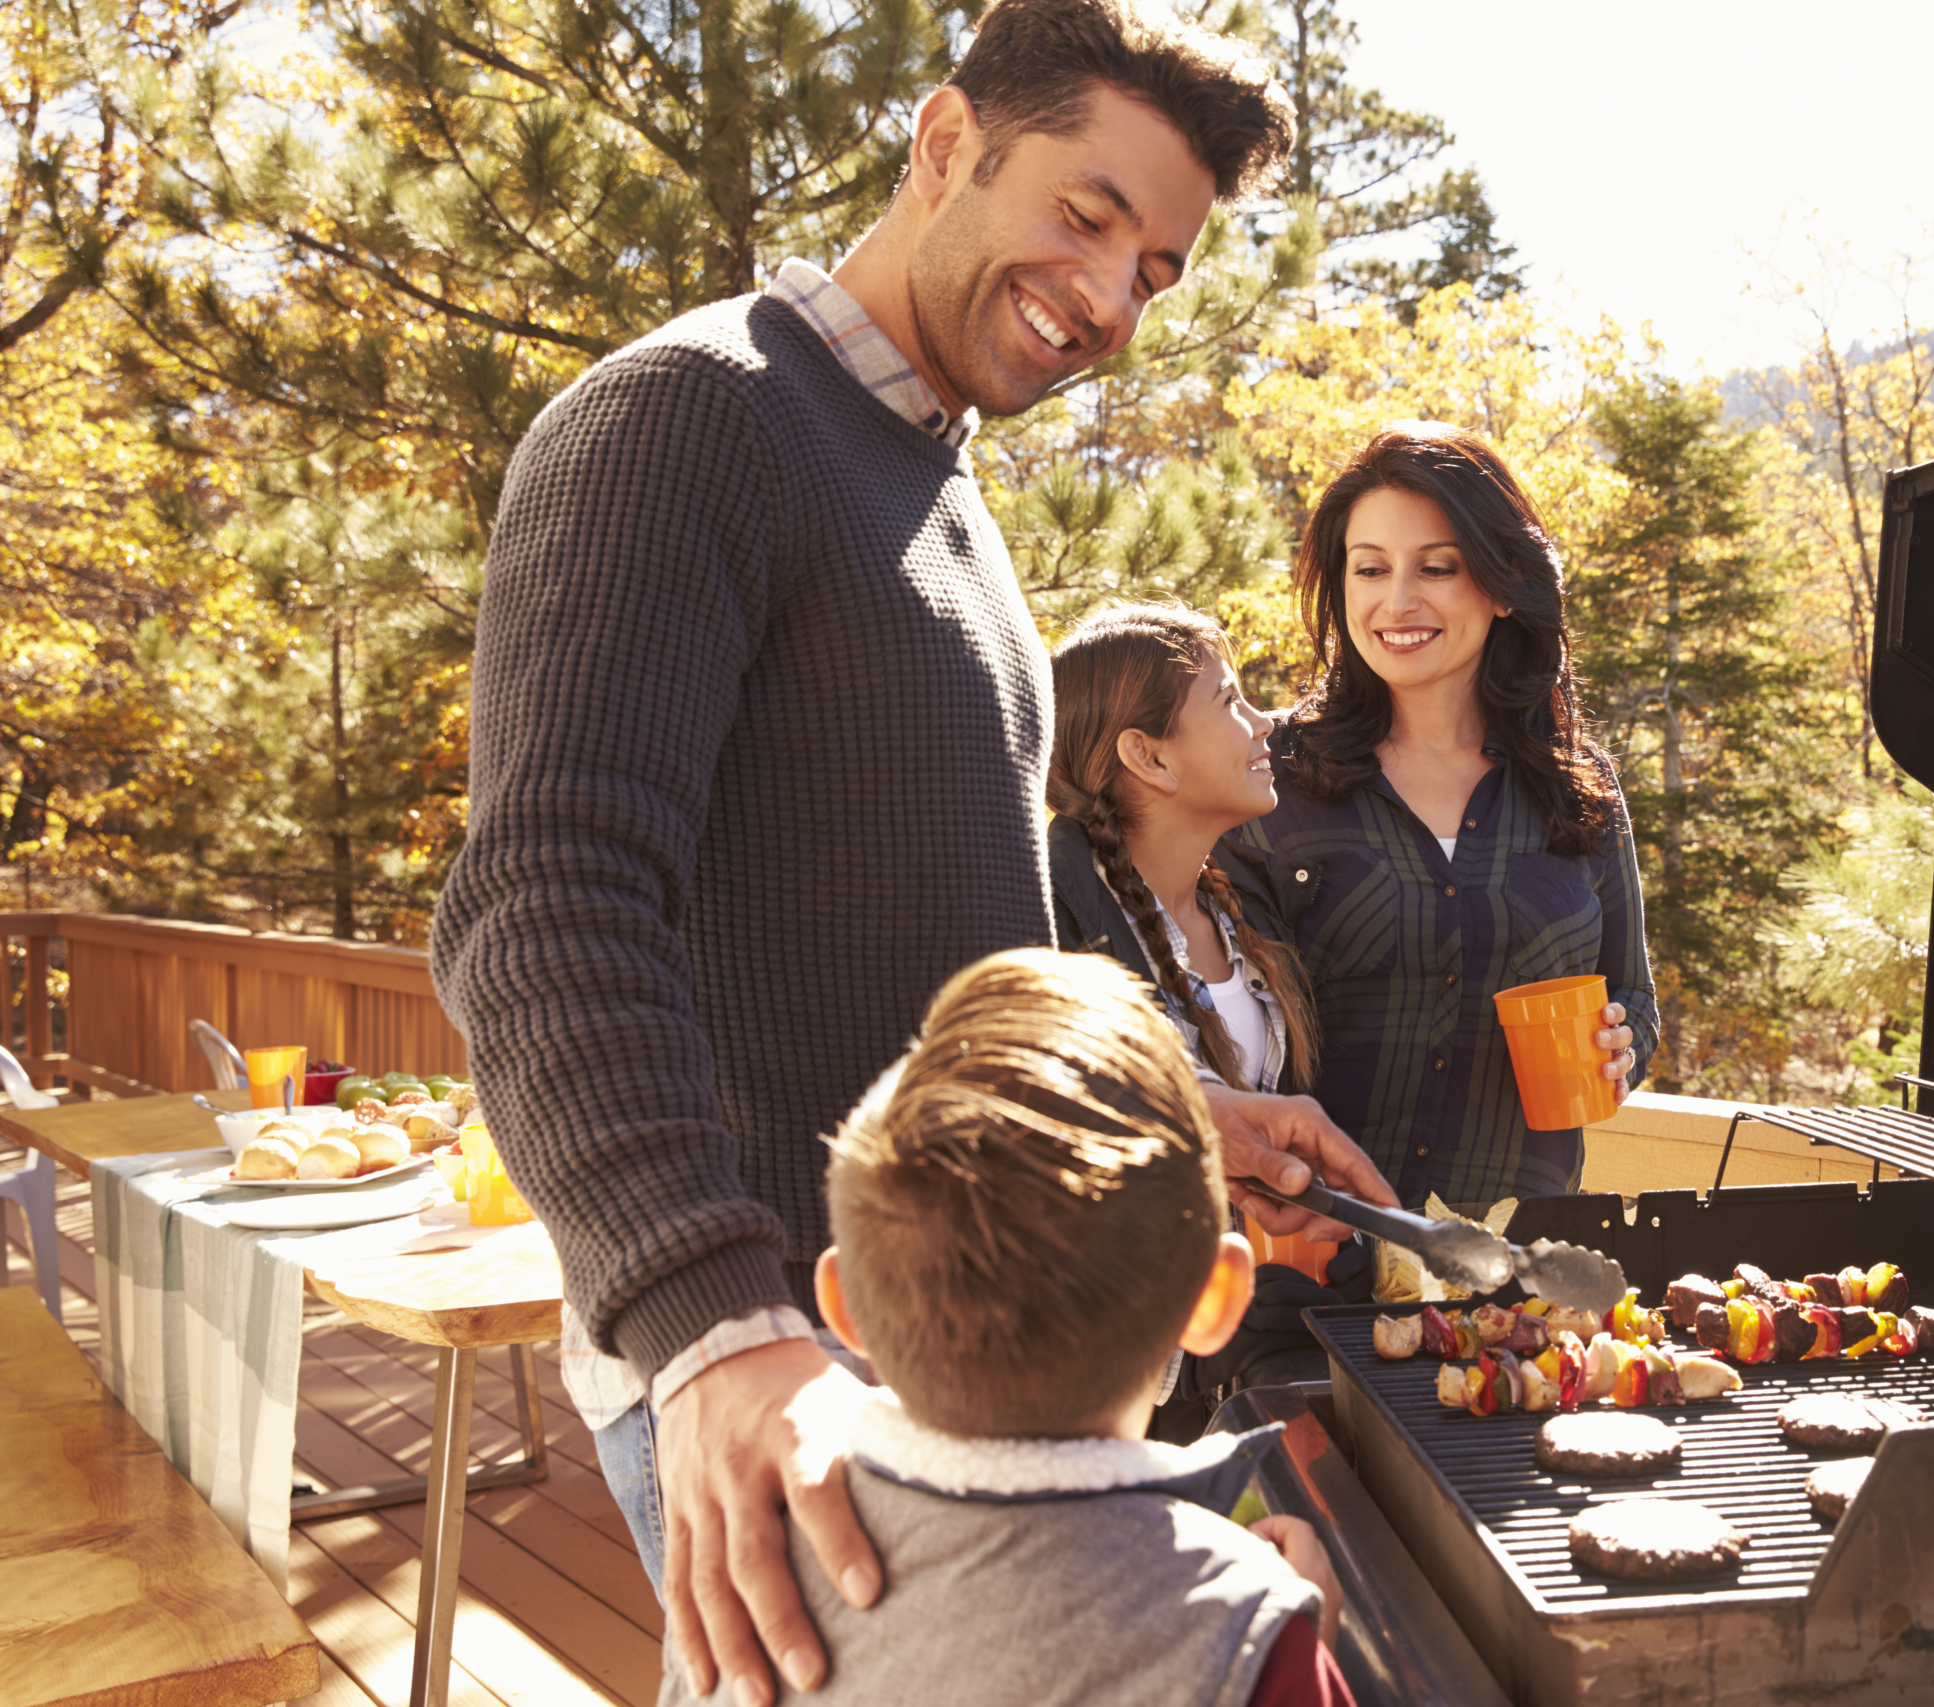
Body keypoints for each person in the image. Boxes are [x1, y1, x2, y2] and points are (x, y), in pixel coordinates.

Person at [429, 6, 1393, 1703]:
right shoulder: (691, 419)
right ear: (945, 141)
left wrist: (1167, 1114)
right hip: (778, 1361)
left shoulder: (945, 504)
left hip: (947, 1370)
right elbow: (544, 906)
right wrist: (714, 1325)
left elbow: (964, 949)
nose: (1109, 299)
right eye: (1087, 217)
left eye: (1155, 269)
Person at [657, 947, 1353, 1707]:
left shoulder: (741, 1578)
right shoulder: (1236, 1625)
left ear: (842, 1304)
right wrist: (1293, 1645)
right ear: (1216, 1297)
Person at [1223, 422, 1658, 1212]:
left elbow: (1634, 997)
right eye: (1370, 569)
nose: (1398, 601)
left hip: (1515, 1279)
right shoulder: (1267, 773)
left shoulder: (1578, 786)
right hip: (1313, 1259)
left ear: (1499, 585)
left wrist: (1620, 1048)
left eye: (1437, 568)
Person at [1045, 602, 1373, 1433]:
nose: (1265, 723)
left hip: (1246, 1361)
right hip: (1118, 1385)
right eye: (1230, 701)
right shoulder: (1054, 921)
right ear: (1147, 755)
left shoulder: (1242, 912)